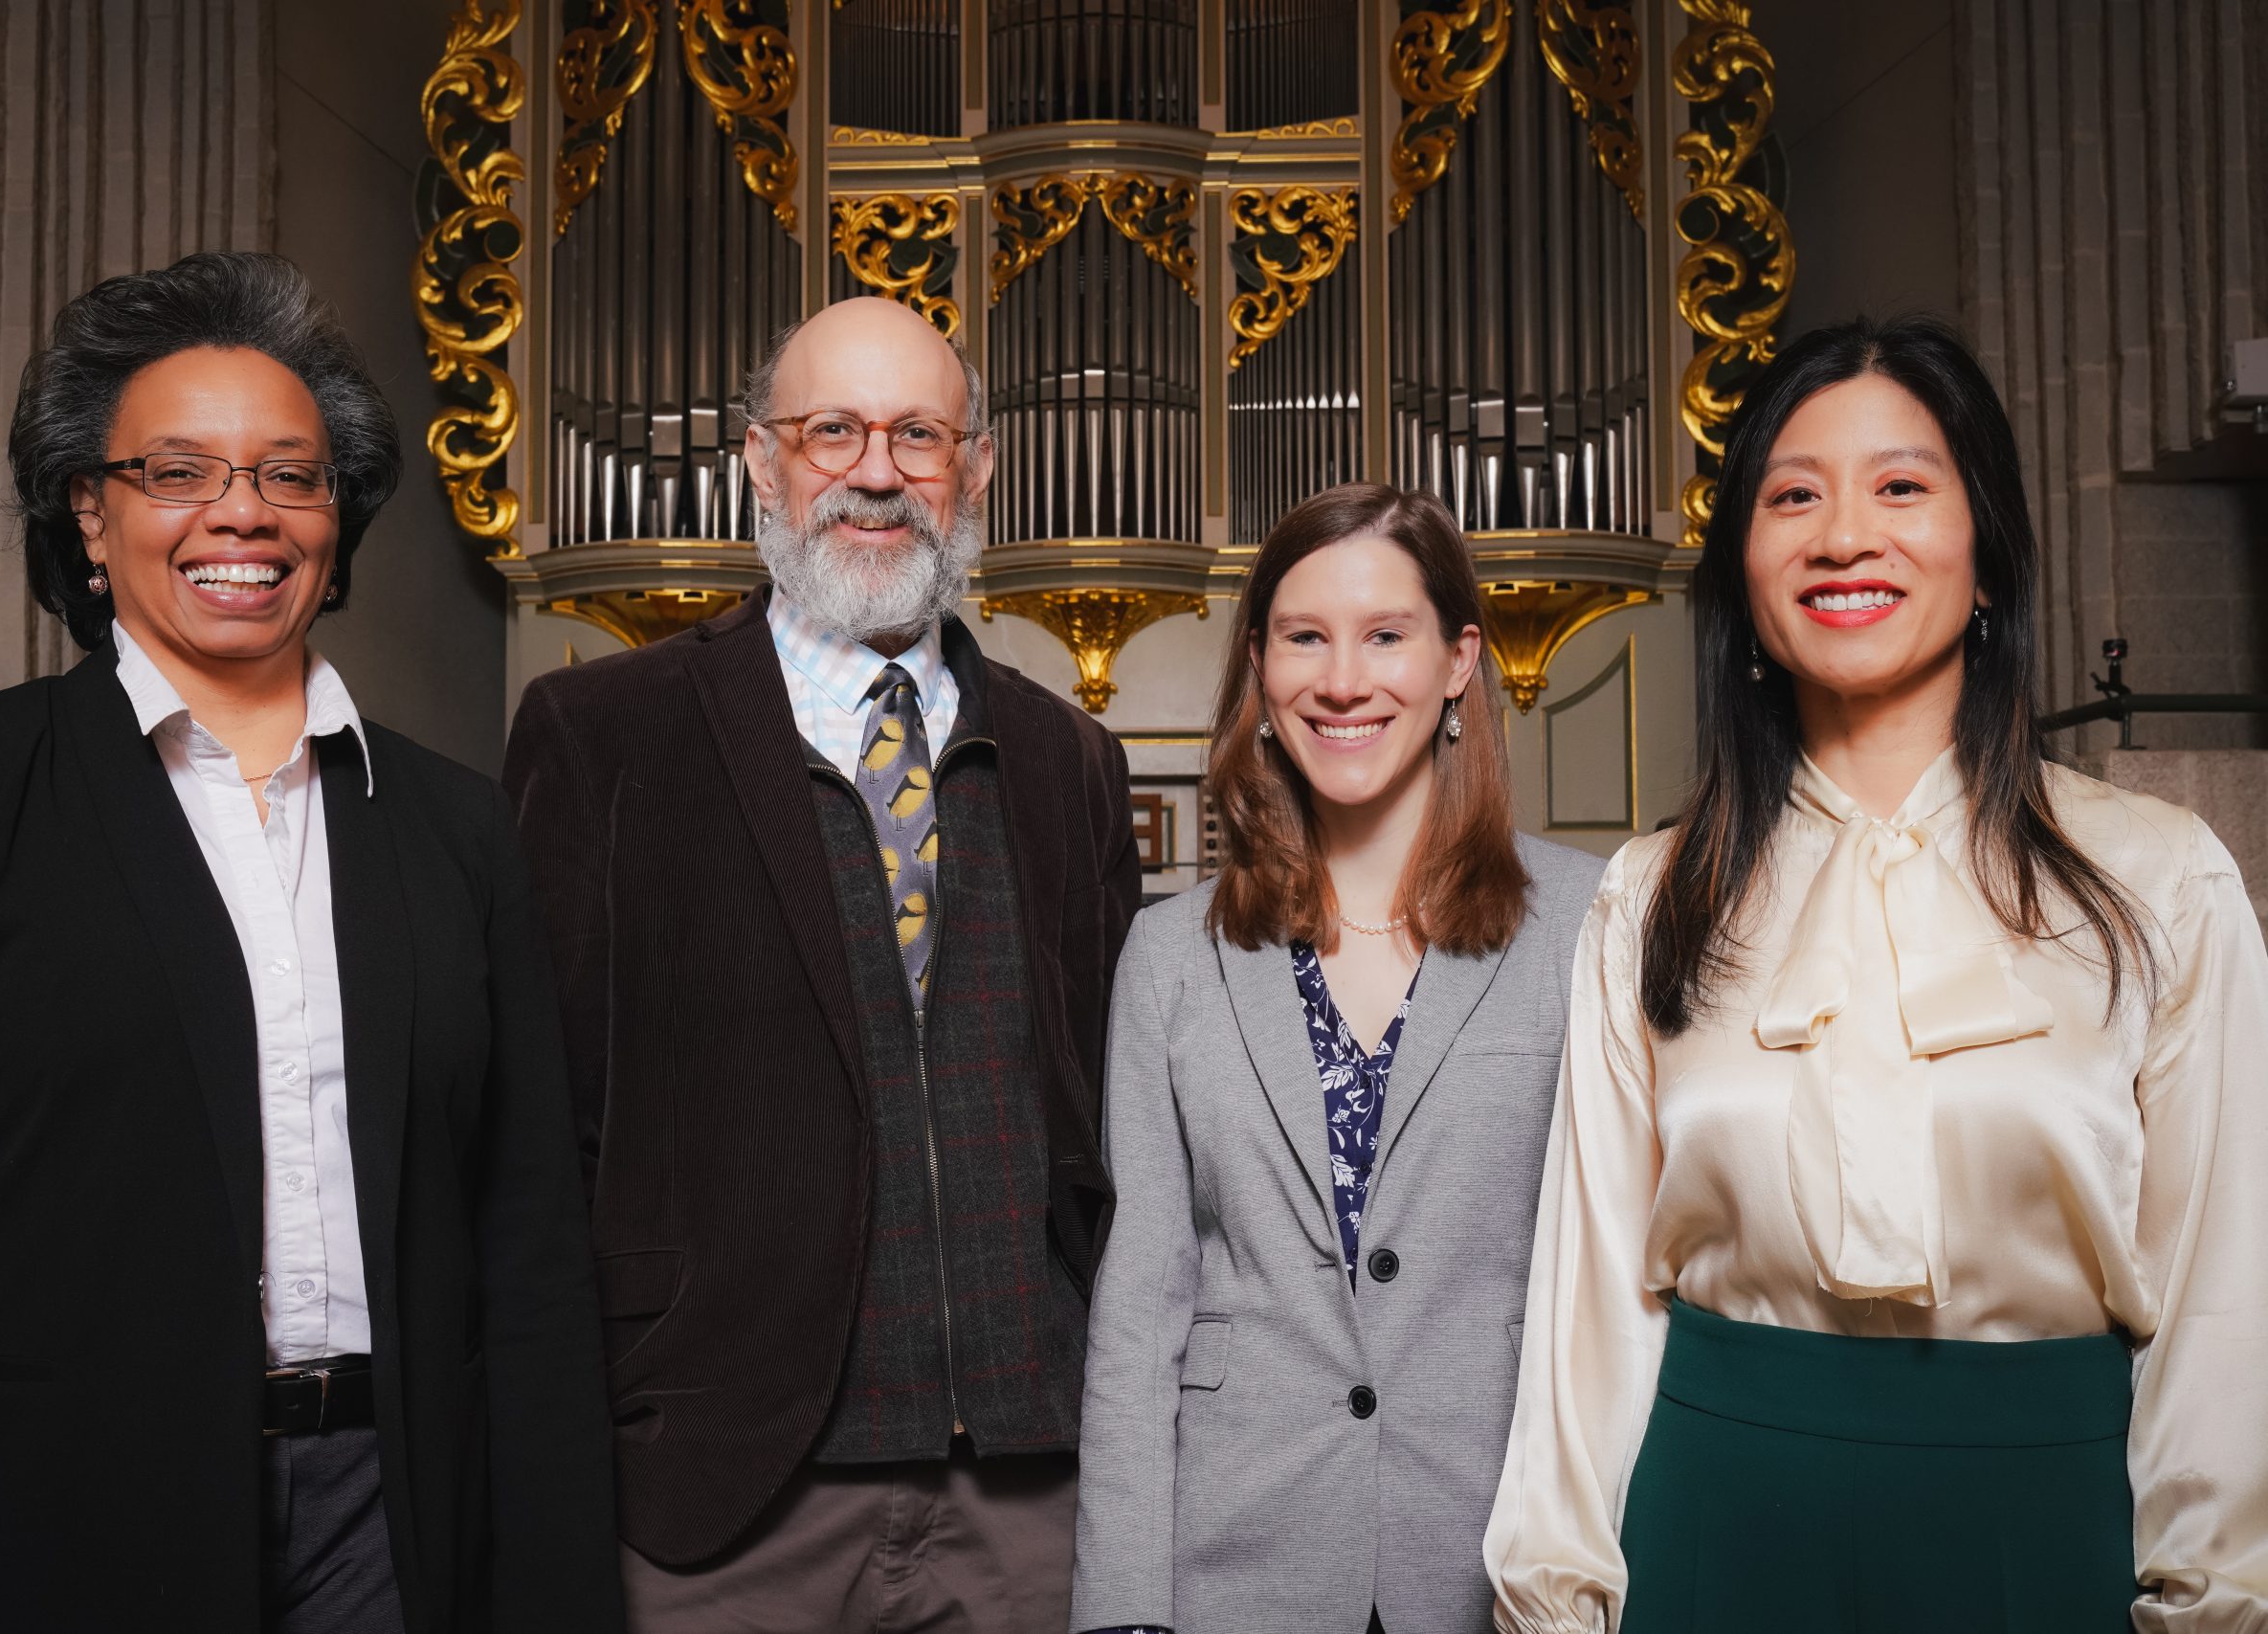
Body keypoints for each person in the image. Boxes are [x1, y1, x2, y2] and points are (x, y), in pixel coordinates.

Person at [0, 252, 622, 1634]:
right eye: (176, 471)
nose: (239, 514)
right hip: (66, 1510)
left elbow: (529, 1245)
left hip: (399, 1511)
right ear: (89, 509)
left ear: (337, 516)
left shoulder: (457, 827)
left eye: (289, 475)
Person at [1484, 316, 2268, 1633]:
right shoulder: (1649, 897)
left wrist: (2215, 1599)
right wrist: (1559, 1603)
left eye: (1902, 485)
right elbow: (1594, 1306)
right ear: (1744, 565)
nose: (1844, 534)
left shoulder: (2159, 880)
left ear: (1989, 552)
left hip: (2046, 1520)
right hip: (1718, 1519)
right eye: (1794, 495)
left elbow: (2223, 1293)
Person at [503, 296, 1142, 1631]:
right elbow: (535, 1134)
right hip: (722, 1496)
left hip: (1026, 1489)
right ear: (758, 462)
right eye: (832, 429)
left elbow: (1108, 1126)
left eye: (918, 434)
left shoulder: (1068, 760)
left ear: (976, 470)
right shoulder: (601, 736)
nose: (873, 471)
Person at [1070, 483, 1605, 1634]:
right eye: (1304, 637)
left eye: (1385, 636)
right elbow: (1141, 1304)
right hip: (1234, 1554)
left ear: (1459, 661)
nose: (1343, 680)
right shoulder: (1169, 954)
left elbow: (1631, 1280)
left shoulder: (1593, 921)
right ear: (1260, 667)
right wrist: (1120, 1609)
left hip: (1505, 1550)